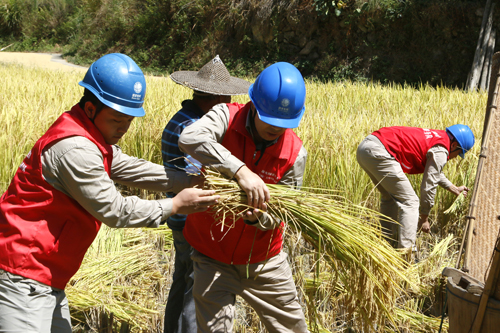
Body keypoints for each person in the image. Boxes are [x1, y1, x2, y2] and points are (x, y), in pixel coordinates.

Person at [0, 53, 219, 333]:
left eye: (129, 121)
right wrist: (175, 205)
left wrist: (186, 180)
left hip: (46, 275)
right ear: (91, 109)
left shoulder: (88, 134)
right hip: (24, 274)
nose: (124, 129)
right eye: (117, 120)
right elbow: (115, 210)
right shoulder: (76, 149)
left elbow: (126, 166)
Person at [178, 62, 310, 333]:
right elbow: (189, 137)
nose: (276, 128)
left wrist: (261, 219)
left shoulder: (295, 154)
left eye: (282, 123)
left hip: (264, 262)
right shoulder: (225, 117)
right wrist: (239, 169)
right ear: (254, 105)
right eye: (269, 119)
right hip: (212, 256)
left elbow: (283, 213)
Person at [161, 55, 251, 333]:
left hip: (182, 214)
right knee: (196, 290)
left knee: (182, 280)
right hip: (190, 219)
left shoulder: (185, 117)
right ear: (215, 98)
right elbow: (201, 178)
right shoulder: (192, 128)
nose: (228, 105)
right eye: (226, 99)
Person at [356, 125, 475, 249]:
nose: (455, 157)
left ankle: (386, 245)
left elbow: (433, 171)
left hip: (366, 148)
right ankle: (406, 256)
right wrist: (424, 217)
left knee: (389, 197)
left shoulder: (438, 138)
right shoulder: (442, 150)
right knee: (411, 202)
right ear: (454, 145)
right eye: (459, 153)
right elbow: (429, 184)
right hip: (380, 152)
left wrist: (453, 188)